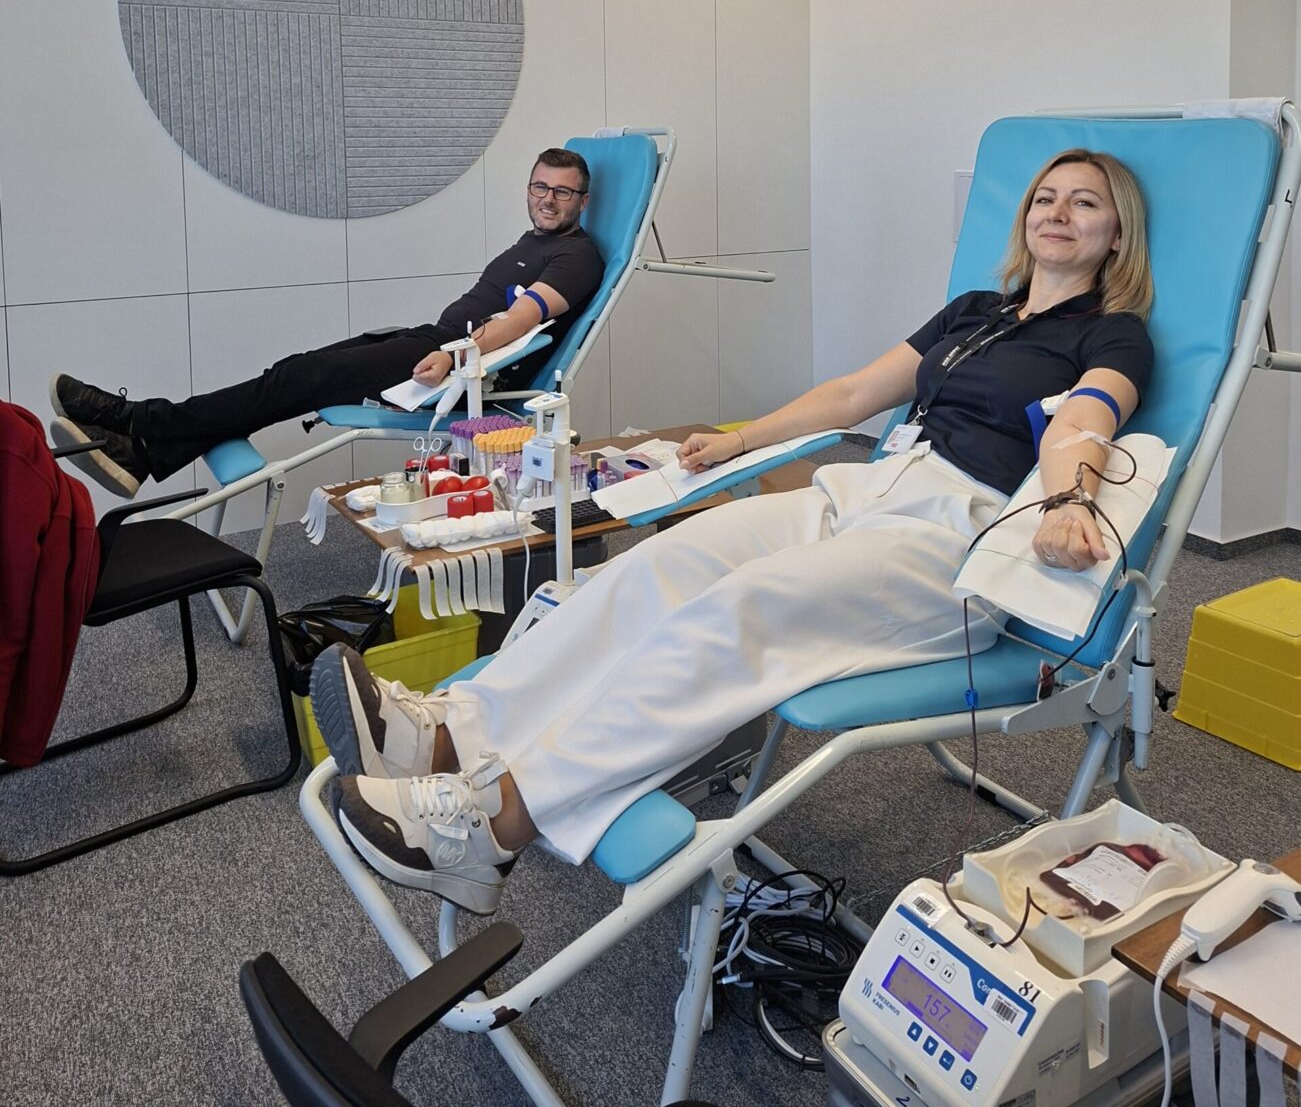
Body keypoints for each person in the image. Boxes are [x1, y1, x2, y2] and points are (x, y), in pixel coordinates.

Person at [311, 148, 1155, 916]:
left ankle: (491, 825)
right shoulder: (976, 310)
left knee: (740, 606)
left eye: (1083, 203)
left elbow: (1083, 420)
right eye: (1044, 197)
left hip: (952, 535)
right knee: (663, 562)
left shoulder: (1112, 333)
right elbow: (851, 395)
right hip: (864, 489)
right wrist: (739, 439)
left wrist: (1067, 501)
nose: (1056, 212)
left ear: (1115, 236)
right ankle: (448, 732)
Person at [49, 149, 604, 499]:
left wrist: (455, 356)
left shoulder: (577, 256)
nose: (548, 199)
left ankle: (134, 420)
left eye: (562, 191)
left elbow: (520, 320)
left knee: (295, 380)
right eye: (540, 187)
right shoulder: (534, 240)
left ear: (582, 201)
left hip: (455, 370)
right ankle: (146, 454)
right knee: (293, 373)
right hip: (431, 343)